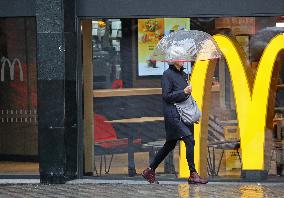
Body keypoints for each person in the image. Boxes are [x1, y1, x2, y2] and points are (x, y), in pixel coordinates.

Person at [142, 61, 208, 184]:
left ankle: (149, 170)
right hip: (173, 115)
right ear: (173, 60)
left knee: (170, 145)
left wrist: (192, 113)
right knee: (189, 139)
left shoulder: (184, 74)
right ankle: (193, 174)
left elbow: (185, 98)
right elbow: (166, 96)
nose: (183, 60)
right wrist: (184, 92)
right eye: (180, 57)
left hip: (184, 114)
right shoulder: (167, 74)